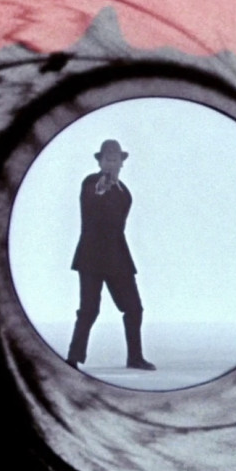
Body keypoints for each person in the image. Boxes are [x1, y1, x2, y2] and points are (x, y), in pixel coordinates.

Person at [66, 139, 156, 371]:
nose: (111, 163)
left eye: (115, 159)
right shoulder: (91, 182)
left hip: (118, 258)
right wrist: (101, 188)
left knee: (134, 309)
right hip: (91, 258)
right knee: (89, 310)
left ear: (121, 163)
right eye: (107, 159)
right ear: (100, 161)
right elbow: (92, 195)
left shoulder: (125, 193)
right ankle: (73, 359)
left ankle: (135, 358)